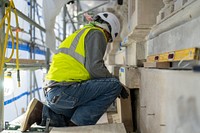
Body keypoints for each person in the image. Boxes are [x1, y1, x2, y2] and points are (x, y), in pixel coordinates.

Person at [20, 12, 129, 131]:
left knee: (69, 120)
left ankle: (39, 112)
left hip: (55, 93)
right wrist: (115, 82)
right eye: (108, 39)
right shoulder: (97, 33)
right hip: (65, 91)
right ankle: (77, 127)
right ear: (109, 30)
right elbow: (95, 68)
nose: (106, 41)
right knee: (114, 85)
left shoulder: (82, 33)